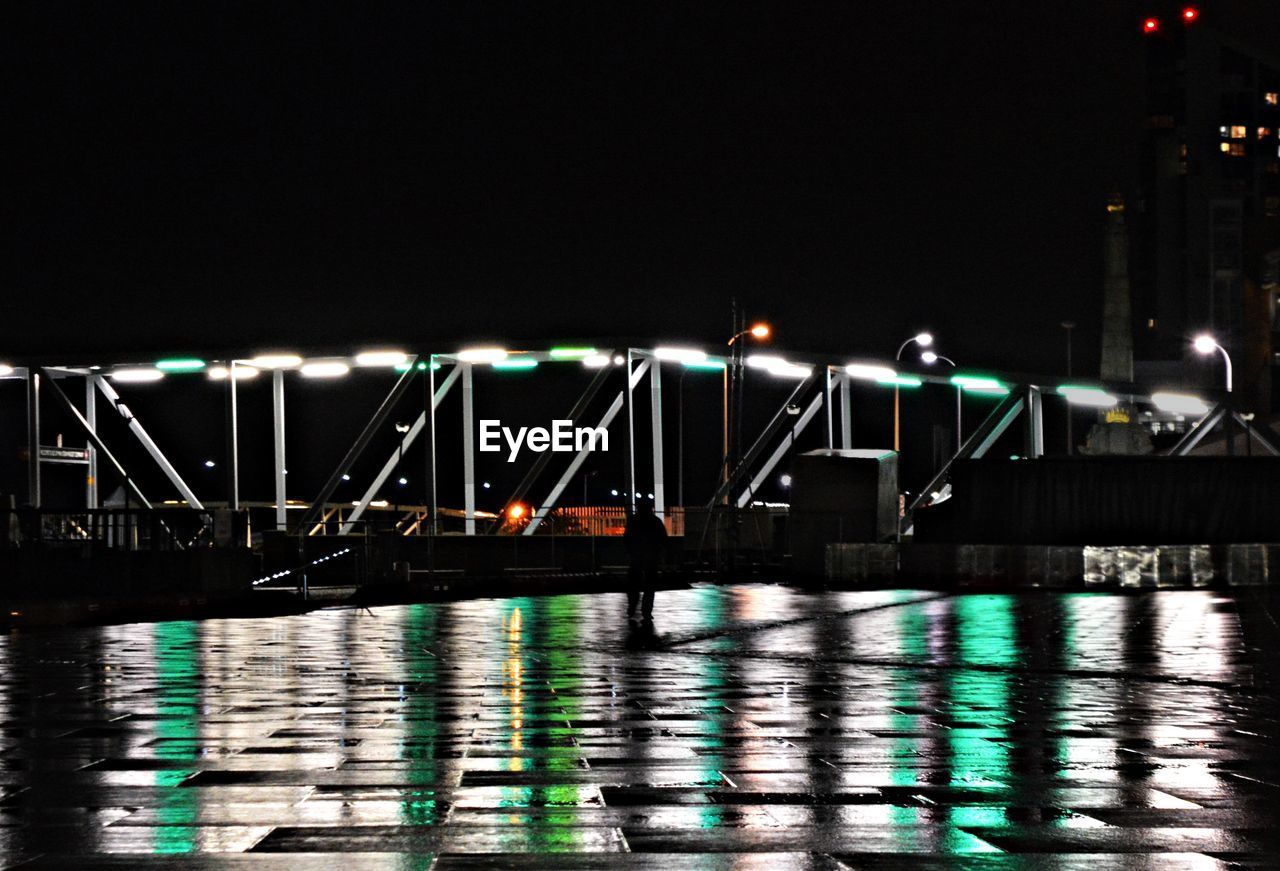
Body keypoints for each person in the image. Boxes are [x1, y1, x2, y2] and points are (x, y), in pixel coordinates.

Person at [623, 502, 667, 621]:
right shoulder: (655, 521)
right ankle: (646, 611)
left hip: (636, 556)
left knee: (633, 585)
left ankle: (632, 607)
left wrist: (630, 552)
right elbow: (663, 539)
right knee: (650, 586)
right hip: (651, 557)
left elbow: (626, 538)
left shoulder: (633, 521)